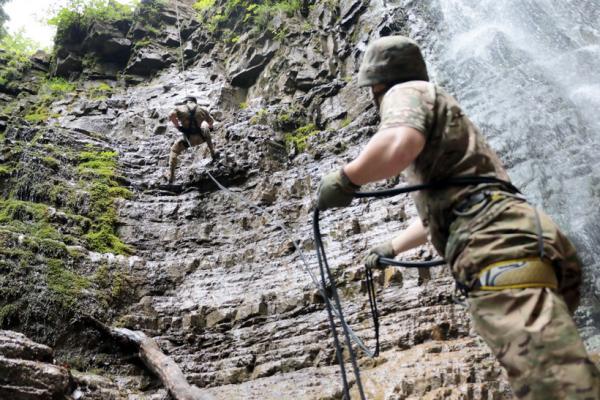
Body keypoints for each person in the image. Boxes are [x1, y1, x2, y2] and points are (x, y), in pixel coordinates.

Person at [316, 35, 600, 399]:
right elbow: (456, 205)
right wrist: (392, 246)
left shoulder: (405, 92)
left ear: (377, 84)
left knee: (557, 387)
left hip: (496, 249)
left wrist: (346, 179)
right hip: (525, 238)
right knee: (562, 371)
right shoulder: (448, 119)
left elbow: (399, 144)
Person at [164, 96, 218, 184]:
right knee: (206, 128)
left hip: (188, 140)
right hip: (202, 138)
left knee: (174, 150)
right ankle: (213, 152)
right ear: (195, 102)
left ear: (185, 102)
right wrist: (208, 127)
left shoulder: (180, 109)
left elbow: (171, 115)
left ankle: (171, 176)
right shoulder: (202, 109)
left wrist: (178, 126)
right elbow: (211, 122)